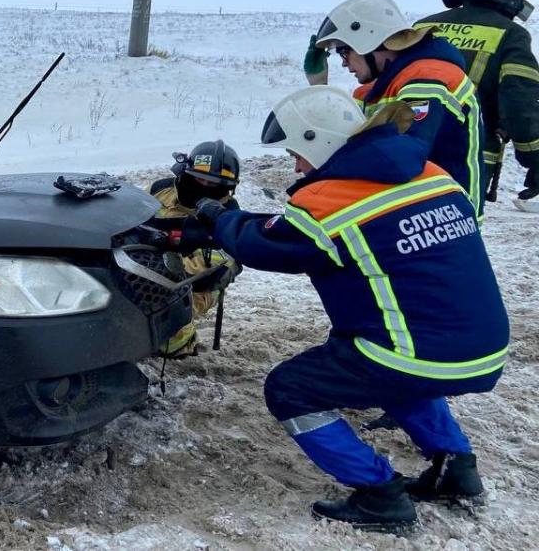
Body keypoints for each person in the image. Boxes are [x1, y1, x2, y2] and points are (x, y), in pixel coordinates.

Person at [193, 86, 509, 533]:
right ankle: (456, 468)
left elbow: (262, 244)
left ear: (318, 141)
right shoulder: (431, 172)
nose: (297, 166)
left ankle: (379, 495)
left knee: (290, 389)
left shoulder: (331, 199)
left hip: (417, 351)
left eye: (297, 154)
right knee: (384, 362)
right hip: (482, 346)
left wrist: (216, 216)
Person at [303, 0, 487, 219]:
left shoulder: (428, 78)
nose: (343, 62)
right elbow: (343, 141)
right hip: (414, 210)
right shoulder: (375, 89)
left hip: (445, 215)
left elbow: (401, 158)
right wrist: (318, 88)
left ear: (368, 41)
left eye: (344, 51)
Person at [416, 0, 539, 213]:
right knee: (456, 237)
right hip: (466, 159)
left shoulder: (424, 26)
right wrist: (533, 155)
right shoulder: (511, 35)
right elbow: (520, 105)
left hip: (407, 151)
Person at [146, 140, 242, 358]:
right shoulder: (159, 190)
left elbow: (220, 261)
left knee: (167, 319)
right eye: (199, 179)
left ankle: (182, 345)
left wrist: (163, 272)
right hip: (143, 264)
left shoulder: (228, 215)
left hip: (195, 286)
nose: (205, 187)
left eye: (214, 184)